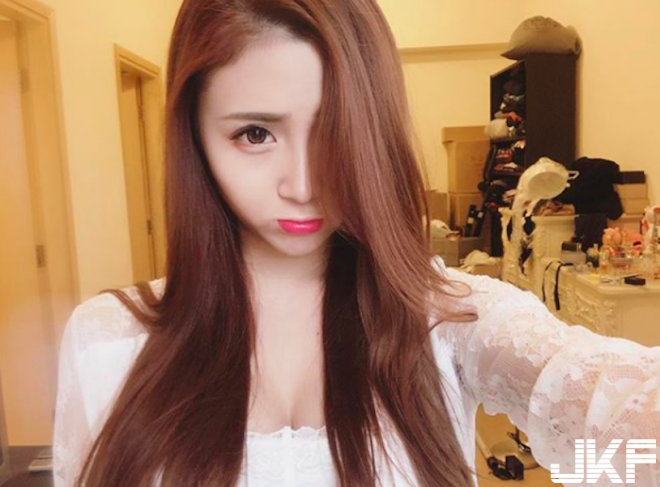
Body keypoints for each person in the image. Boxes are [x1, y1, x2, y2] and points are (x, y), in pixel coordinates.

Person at [52, 0, 660, 485]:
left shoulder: (449, 320)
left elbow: (623, 423)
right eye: (256, 134)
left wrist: (589, 459)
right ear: (195, 137)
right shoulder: (108, 341)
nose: (303, 185)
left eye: (337, 132)